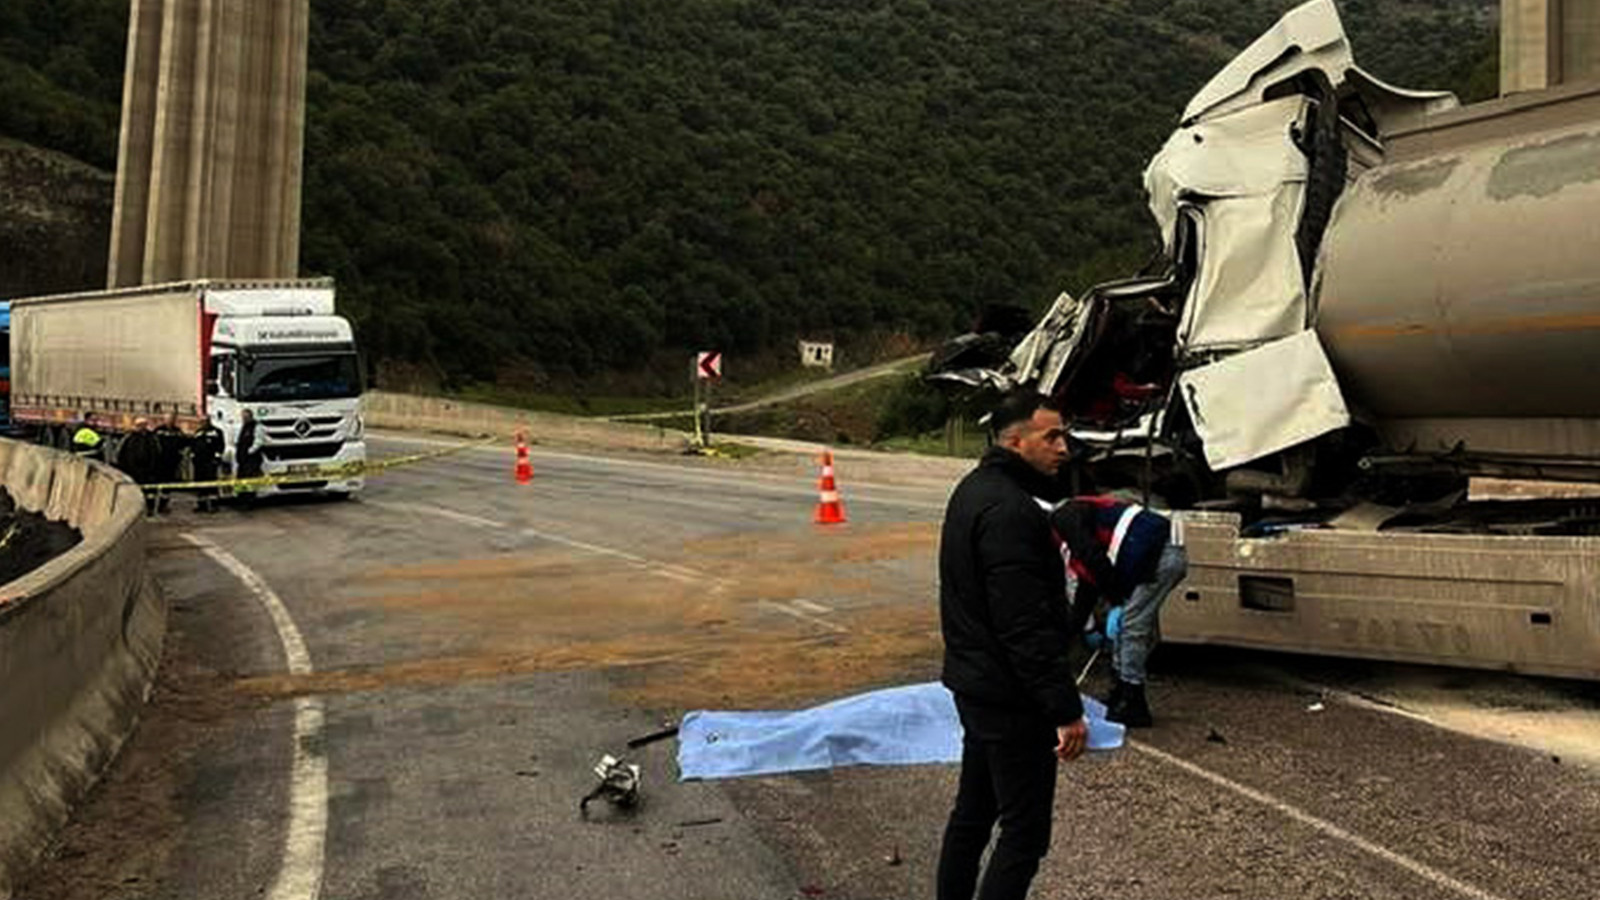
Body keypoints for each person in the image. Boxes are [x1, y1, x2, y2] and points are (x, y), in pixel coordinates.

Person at [937, 391, 1088, 900]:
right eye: (1052, 437)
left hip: (977, 685)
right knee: (1024, 834)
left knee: (973, 815)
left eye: (1063, 434)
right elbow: (1024, 627)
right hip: (1009, 696)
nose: (1064, 447)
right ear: (1015, 441)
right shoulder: (1011, 512)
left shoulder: (974, 490)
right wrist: (1065, 709)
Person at [1048, 494, 1184, 727]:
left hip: (1159, 554)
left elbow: (1093, 558)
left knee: (1132, 627)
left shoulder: (1064, 517)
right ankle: (1121, 692)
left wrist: (1116, 601)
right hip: (1151, 554)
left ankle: (1133, 702)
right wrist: (1073, 634)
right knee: (1128, 626)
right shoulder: (1068, 538)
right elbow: (1086, 591)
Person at [118, 418, 163, 515]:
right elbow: (122, 455)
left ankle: (150, 508)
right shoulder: (129, 438)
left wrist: (154, 468)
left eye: (143, 425)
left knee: (150, 492)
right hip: (133, 471)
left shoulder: (152, 438)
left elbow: (157, 453)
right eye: (139, 425)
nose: (141, 427)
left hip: (149, 471)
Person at [153, 412, 187, 514]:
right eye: (168, 419)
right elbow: (153, 445)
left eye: (172, 420)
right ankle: (153, 506)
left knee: (167, 486)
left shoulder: (177, 432)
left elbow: (184, 443)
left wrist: (180, 455)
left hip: (171, 463)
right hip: (159, 462)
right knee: (156, 485)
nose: (170, 422)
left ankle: (163, 505)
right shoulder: (159, 431)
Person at [190, 418, 225, 513]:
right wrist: (193, 456)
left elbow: (220, 446)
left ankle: (213, 505)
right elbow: (193, 445)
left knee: (211, 484)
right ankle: (201, 504)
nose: (202, 423)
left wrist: (216, 458)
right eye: (201, 422)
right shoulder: (198, 432)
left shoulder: (216, 432)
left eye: (204, 421)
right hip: (199, 462)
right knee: (200, 483)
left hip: (210, 462)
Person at [234, 409, 263, 504]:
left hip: (251, 459)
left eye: (246, 417)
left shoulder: (256, 427)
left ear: (250, 416)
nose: (244, 418)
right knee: (241, 479)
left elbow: (259, 442)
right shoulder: (243, 426)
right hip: (242, 459)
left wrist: (249, 451)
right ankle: (241, 498)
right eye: (243, 417)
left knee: (250, 480)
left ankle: (249, 500)